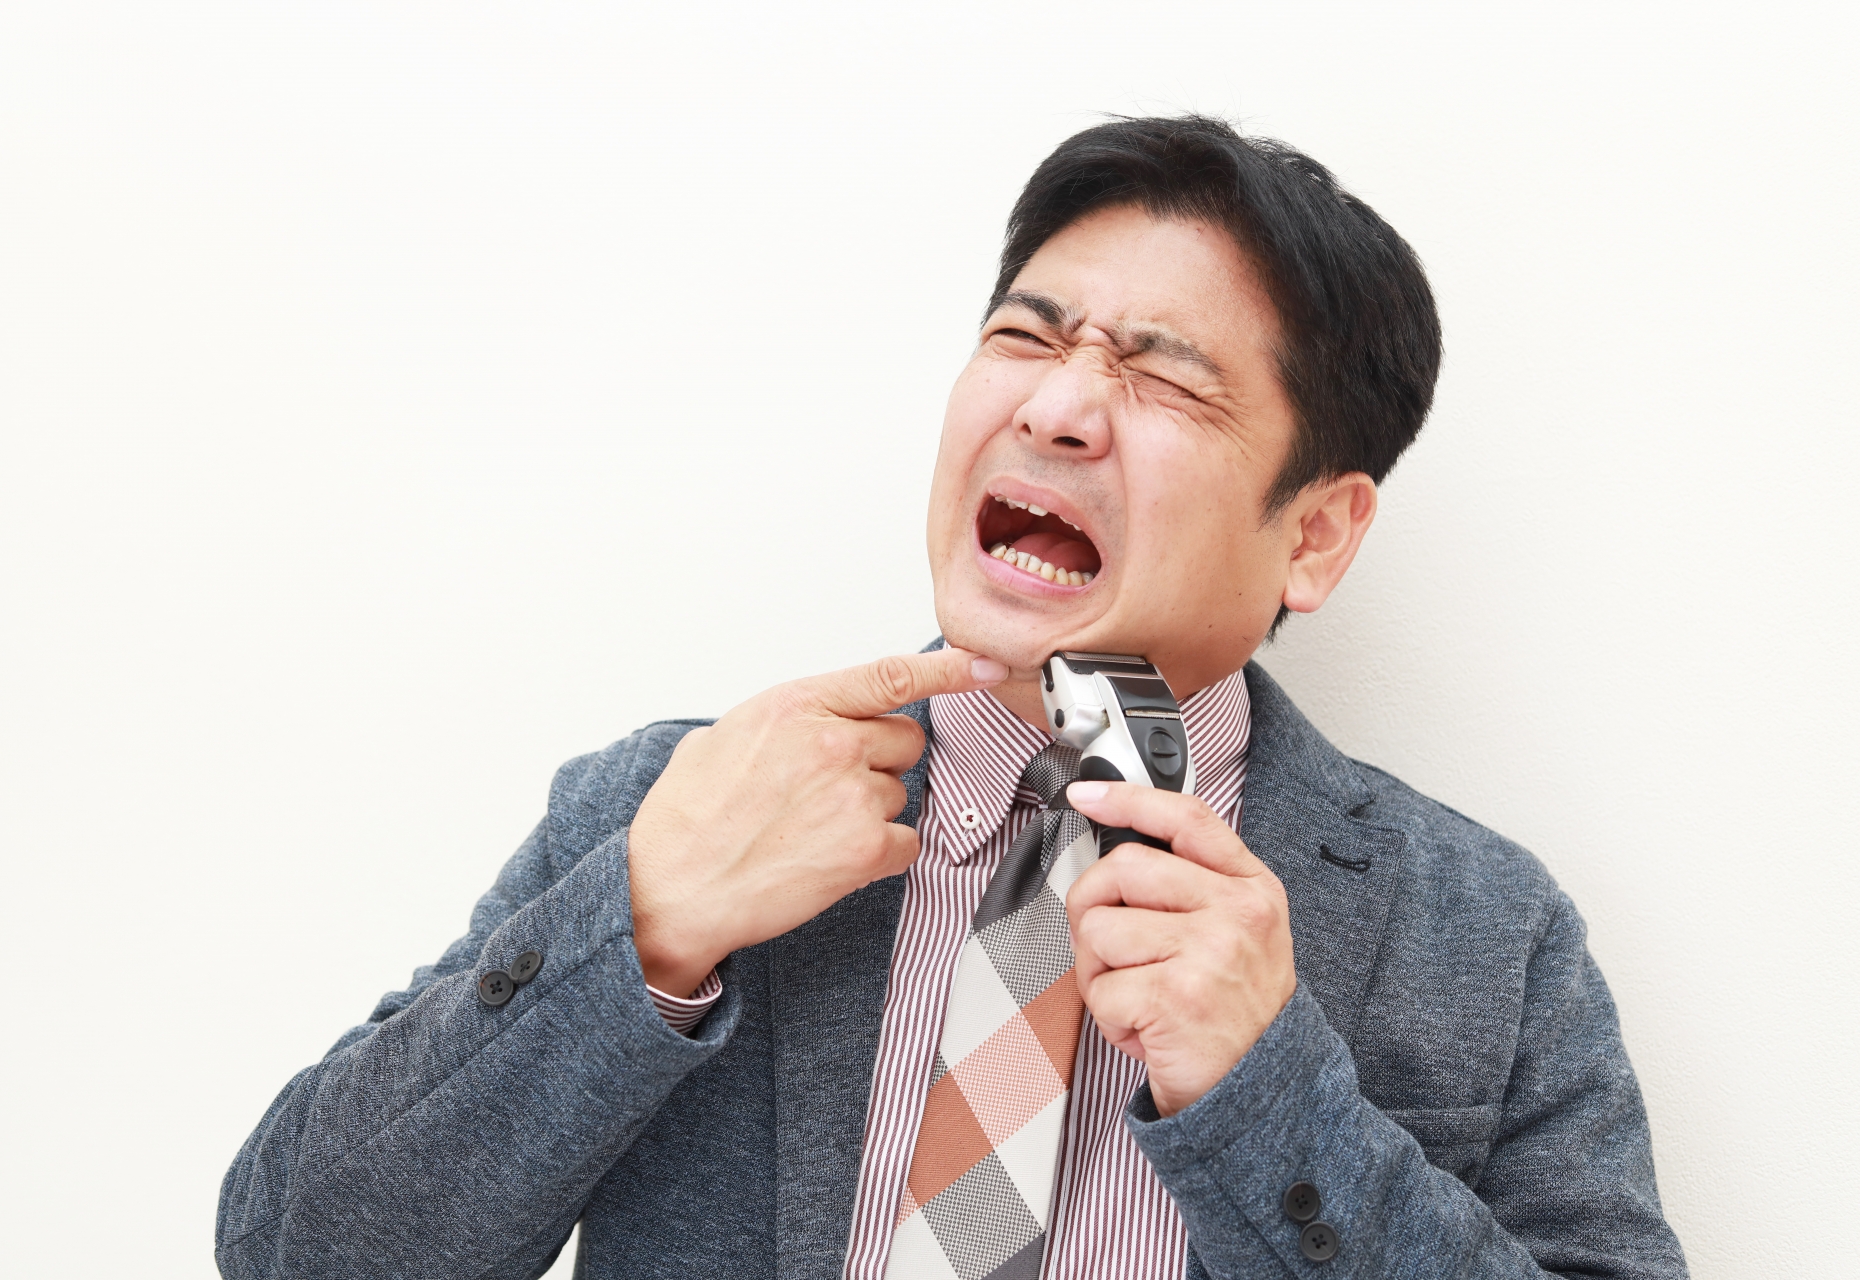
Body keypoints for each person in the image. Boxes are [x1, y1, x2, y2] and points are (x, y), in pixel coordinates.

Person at [216, 116, 1687, 1280]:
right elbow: (294, 1253)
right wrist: (645, 924)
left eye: (1164, 378)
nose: (1055, 406)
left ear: (1314, 535)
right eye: (1027, 336)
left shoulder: (1484, 933)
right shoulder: (665, 811)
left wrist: (1270, 1093)